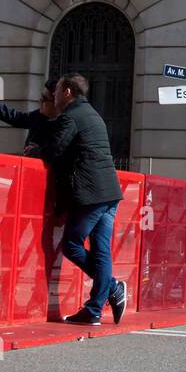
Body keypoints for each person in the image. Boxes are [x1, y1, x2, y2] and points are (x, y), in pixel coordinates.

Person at [39, 74, 127, 327]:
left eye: (56, 90)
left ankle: (112, 288)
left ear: (67, 91)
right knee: (101, 252)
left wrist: (35, 150)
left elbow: (54, 150)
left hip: (91, 193)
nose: (53, 95)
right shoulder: (93, 114)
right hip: (110, 192)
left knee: (71, 245)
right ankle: (95, 310)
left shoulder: (72, 116)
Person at [0, 80, 57, 158]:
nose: (40, 100)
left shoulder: (63, 127)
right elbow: (14, 117)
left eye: (44, 98)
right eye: (41, 96)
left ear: (56, 102)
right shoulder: (39, 116)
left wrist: (36, 151)